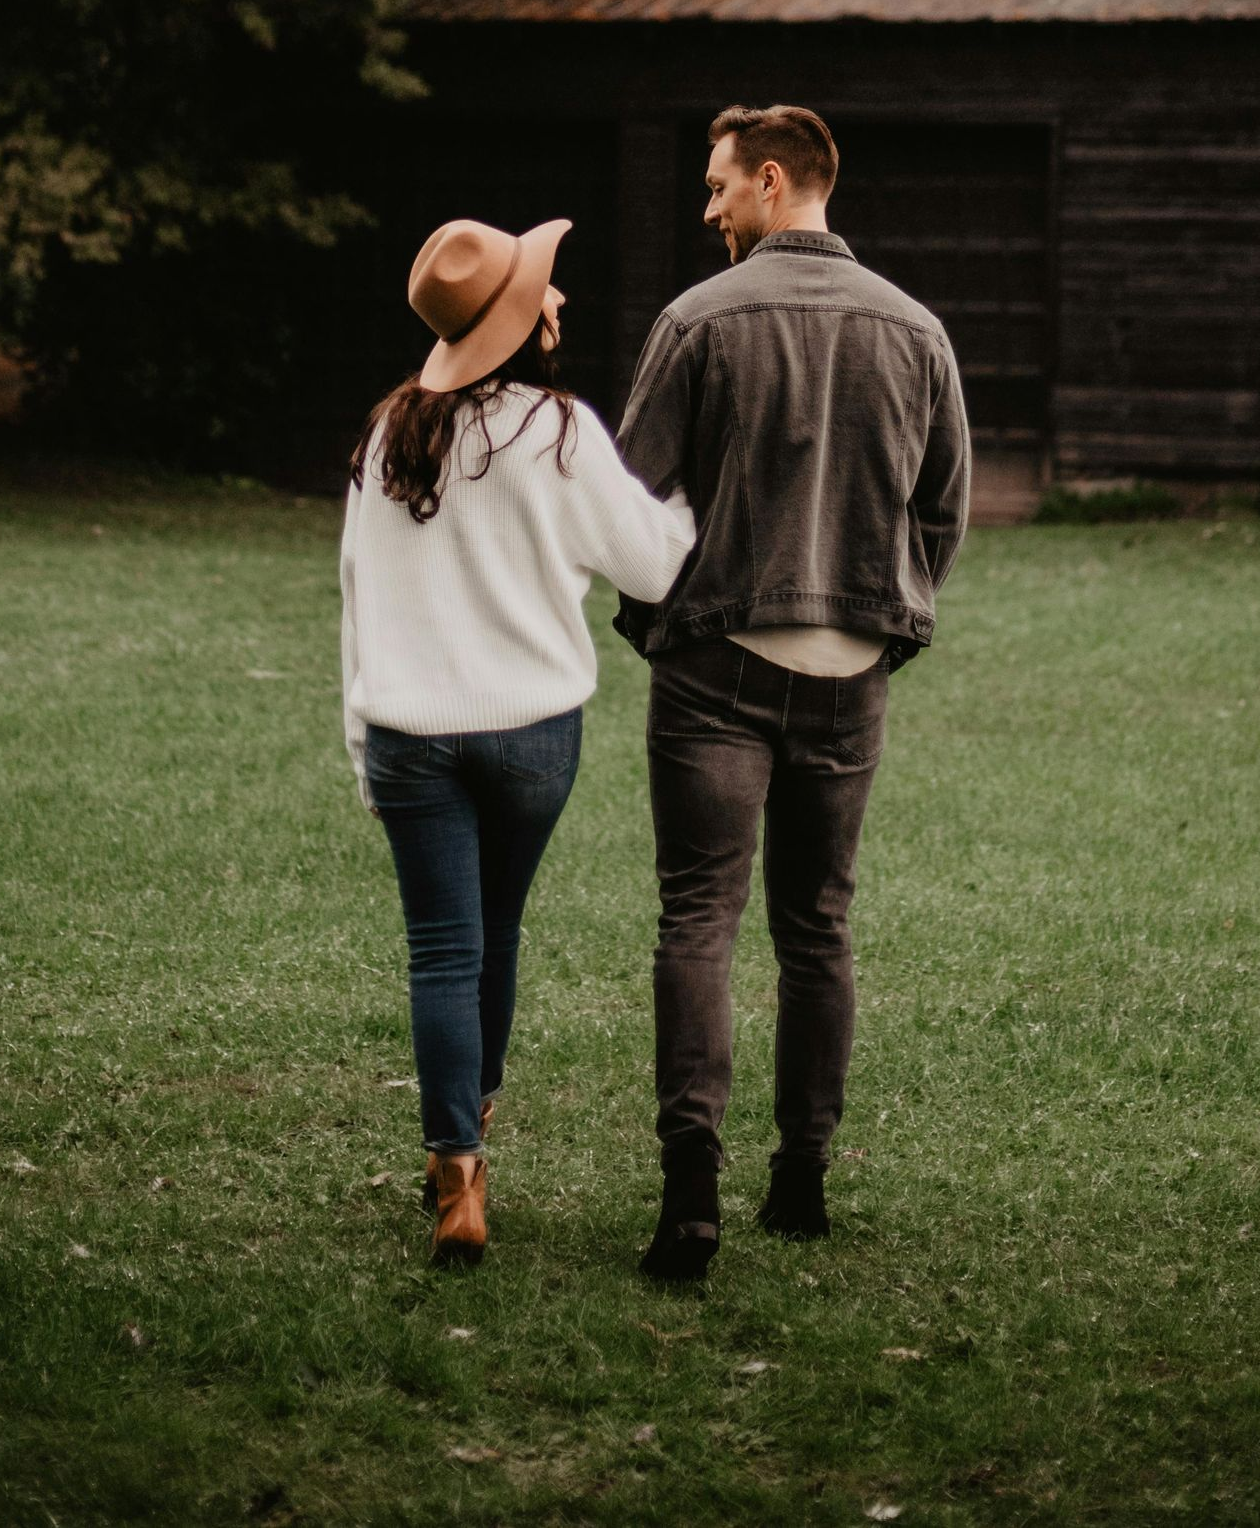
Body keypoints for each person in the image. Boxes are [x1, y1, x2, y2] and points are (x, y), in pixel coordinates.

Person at [613, 105, 972, 1281]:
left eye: (719, 187)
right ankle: (803, 1182)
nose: (709, 207)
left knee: (697, 921)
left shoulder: (696, 321)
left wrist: (659, 619)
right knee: (817, 928)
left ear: (775, 182)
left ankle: (690, 1199)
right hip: (849, 676)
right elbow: (945, 512)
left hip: (715, 667)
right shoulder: (918, 331)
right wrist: (881, 617)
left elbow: (628, 504)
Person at [342, 217, 695, 1267]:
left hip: (407, 733)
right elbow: (656, 567)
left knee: (441, 949)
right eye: (545, 292)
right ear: (515, 322)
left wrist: (359, 741)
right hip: (533, 734)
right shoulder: (562, 431)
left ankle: (458, 1175)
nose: (560, 302)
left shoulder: (388, 434)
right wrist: (690, 494)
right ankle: (472, 1122)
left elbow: (356, 601)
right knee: (494, 936)